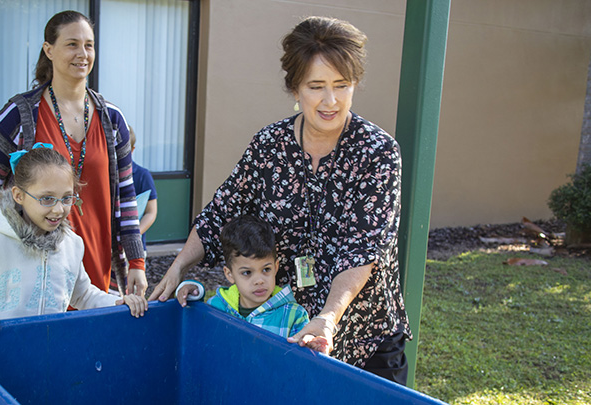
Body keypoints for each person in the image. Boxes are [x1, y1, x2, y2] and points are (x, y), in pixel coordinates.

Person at [150, 16, 411, 384]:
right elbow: (222, 211)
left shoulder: (377, 152)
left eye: (342, 85)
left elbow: (363, 248)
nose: (330, 100)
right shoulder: (269, 146)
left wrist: (328, 318)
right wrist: (178, 267)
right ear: (294, 89)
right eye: (316, 86)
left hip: (365, 333)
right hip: (289, 328)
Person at [0, 10, 147, 299]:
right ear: (48, 50)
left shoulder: (113, 119)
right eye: (72, 44)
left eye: (89, 45)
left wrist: (136, 261)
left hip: (98, 261)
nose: (82, 53)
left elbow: (126, 196)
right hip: (33, 266)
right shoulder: (18, 116)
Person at [0, 145, 146, 340]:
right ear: (18, 195)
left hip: (47, 352)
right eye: (47, 198)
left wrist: (119, 301)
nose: (58, 209)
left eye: (66, 198)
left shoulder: (72, 245)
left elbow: (83, 294)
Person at [175, 215, 329, 352]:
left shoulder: (294, 315)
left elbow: (303, 360)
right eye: (247, 272)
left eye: (266, 269)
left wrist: (312, 346)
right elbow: (196, 332)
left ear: (276, 267)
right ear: (229, 274)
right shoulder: (218, 307)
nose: (259, 280)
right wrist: (193, 291)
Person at [129, 126, 158, 254]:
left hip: (134, 246)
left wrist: (134, 236)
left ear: (132, 150)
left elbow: (151, 212)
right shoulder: (103, 176)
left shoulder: (142, 175)